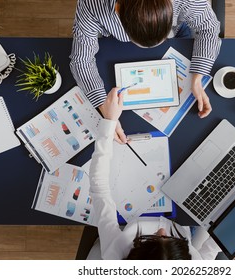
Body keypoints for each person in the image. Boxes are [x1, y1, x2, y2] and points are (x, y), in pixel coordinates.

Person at [87, 88, 222, 259]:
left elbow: (99, 188)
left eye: (153, 238)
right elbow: (208, 253)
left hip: (127, 226)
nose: (161, 229)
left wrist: (109, 122)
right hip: (187, 234)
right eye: (168, 238)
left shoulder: (115, 253)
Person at [70, 0, 222, 143]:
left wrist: (197, 79)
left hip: (178, 32)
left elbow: (209, 27)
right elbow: (81, 60)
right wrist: (104, 108)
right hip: (116, 45)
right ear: (118, 9)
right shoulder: (92, 4)